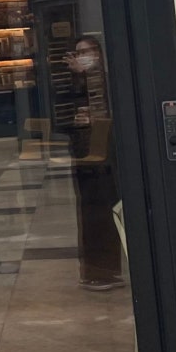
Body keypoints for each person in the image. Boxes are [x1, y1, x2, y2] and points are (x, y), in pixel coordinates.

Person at [65, 35, 124, 291]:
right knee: (91, 212)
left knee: (104, 211)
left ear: (98, 53)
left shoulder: (105, 80)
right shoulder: (77, 82)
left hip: (105, 157)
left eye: (87, 51)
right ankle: (97, 271)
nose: (83, 57)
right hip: (86, 157)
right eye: (79, 52)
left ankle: (105, 270)